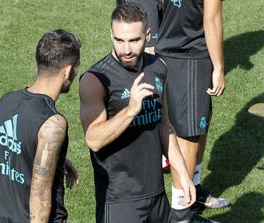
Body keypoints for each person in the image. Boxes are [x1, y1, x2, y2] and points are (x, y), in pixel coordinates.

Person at [79, 3, 195, 222]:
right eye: (119, 40)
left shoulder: (159, 67)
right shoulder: (95, 80)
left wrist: (183, 176)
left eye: (134, 40)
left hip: (157, 197)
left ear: (147, 35)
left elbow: (165, 127)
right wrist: (131, 110)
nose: (126, 49)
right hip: (120, 202)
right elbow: (93, 140)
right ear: (111, 34)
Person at [0, 29, 80, 223]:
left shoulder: (7, 102)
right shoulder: (53, 123)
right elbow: (39, 200)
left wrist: (59, 160)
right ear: (67, 70)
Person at [155, 0, 228, 221]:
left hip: (169, 50)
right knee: (189, 136)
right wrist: (219, 67)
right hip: (190, 56)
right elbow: (211, 19)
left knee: (198, 127)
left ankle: (193, 192)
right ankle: (181, 213)